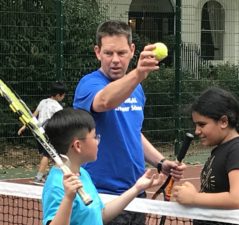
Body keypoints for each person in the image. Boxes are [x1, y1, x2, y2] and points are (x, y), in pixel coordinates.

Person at [73, 20, 186, 224]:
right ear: (98, 52)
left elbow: (133, 132)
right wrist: (139, 73)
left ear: (132, 50)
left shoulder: (137, 88)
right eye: (108, 53)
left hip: (136, 193)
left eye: (121, 53)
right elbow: (104, 101)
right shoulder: (88, 84)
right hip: (103, 196)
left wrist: (160, 162)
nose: (115, 60)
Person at [42, 108, 163, 225]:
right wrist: (68, 198)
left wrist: (136, 188)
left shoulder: (82, 173)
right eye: (95, 137)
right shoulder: (56, 186)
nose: (98, 141)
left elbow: (101, 215)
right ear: (78, 145)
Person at [173, 87, 239, 225]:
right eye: (195, 125)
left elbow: (238, 199)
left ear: (224, 121)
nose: (196, 131)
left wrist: (194, 198)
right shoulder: (222, 149)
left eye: (202, 124)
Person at [18, 81, 66, 185]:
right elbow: (60, 121)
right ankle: (39, 177)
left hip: (38, 134)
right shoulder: (58, 107)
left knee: (54, 155)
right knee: (48, 155)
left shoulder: (43, 102)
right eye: (63, 95)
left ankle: (47, 174)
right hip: (49, 135)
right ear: (58, 95)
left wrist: (24, 126)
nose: (63, 97)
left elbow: (33, 116)